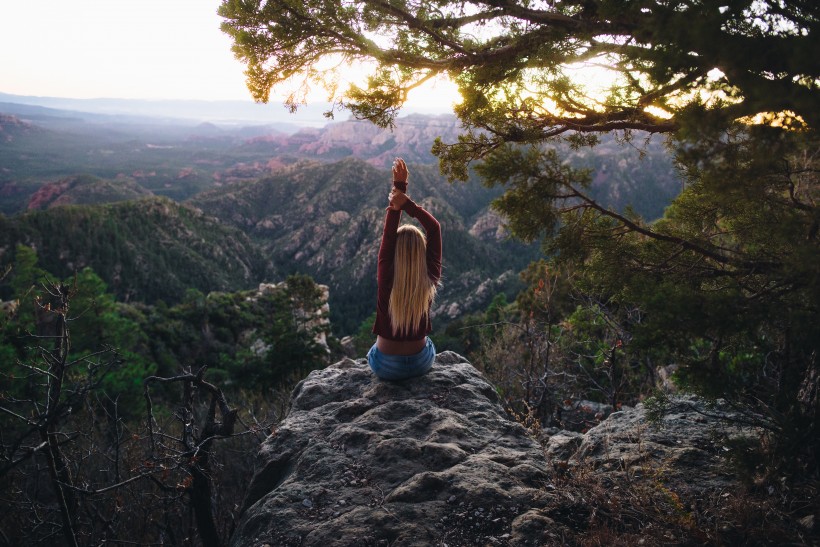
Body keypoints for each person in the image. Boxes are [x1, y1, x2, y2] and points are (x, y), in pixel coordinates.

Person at [367, 158, 442, 381]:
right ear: (422, 252)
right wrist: (406, 202)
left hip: (385, 366)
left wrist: (398, 192)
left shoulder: (386, 274)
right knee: (430, 345)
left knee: (372, 350)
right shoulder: (429, 276)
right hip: (421, 363)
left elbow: (388, 236)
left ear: (394, 254)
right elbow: (434, 228)